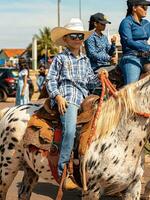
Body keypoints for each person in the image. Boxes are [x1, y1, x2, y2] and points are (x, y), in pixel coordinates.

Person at [46, 18, 101, 187]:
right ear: (66, 39)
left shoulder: (85, 60)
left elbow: (91, 81)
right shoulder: (61, 58)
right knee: (69, 131)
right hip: (68, 98)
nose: (77, 39)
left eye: (80, 36)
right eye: (73, 36)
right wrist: (57, 96)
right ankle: (63, 170)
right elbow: (50, 80)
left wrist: (101, 76)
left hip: (85, 99)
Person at [119, 0, 150, 85]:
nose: (146, 9)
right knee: (131, 88)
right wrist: (148, 48)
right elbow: (128, 41)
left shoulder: (146, 23)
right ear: (134, 8)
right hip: (131, 57)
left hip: (147, 57)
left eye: (147, 7)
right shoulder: (126, 22)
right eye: (143, 7)